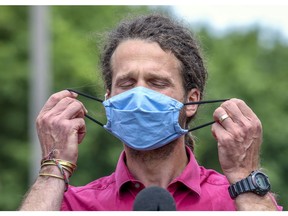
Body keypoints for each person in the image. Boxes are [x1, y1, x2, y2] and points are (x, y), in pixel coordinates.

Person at [20, 14, 281, 211]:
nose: (139, 97)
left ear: (191, 102)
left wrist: (244, 177)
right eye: (127, 83)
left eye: (157, 83)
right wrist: (53, 167)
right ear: (108, 99)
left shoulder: (236, 200)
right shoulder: (72, 205)